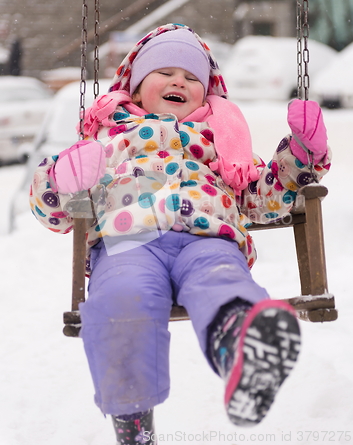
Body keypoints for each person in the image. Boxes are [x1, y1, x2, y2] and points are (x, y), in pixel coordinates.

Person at [30, 24, 331, 443]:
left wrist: (301, 153)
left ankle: (245, 350)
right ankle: (132, 416)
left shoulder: (223, 145)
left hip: (208, 239)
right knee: (121, 301)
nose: (179, 81)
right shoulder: (107, 143)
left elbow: (267, 198)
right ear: (135, 91)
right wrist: (60, 180)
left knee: (222, 282)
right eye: (165, 72)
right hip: (126, 243)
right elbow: (56, 213)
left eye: (192, 78)